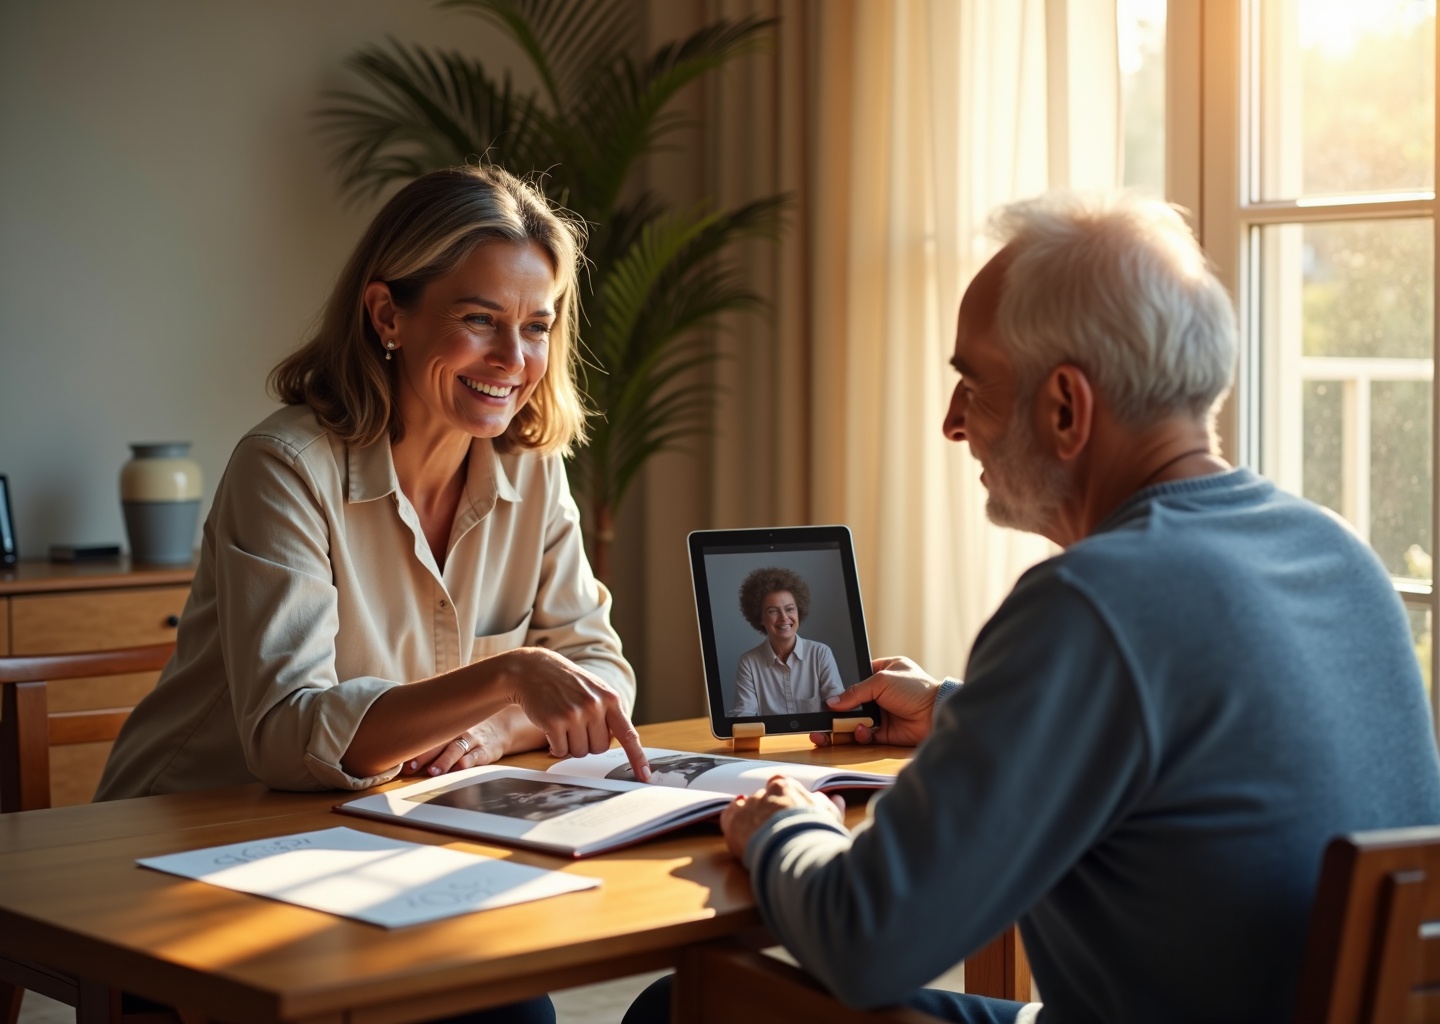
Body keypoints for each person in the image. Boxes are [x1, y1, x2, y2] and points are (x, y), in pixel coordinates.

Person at [626, 192, 1440, 1024]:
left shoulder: (1092, 602)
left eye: (970, 386)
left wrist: (782, 827)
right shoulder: (1340, 555)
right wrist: (954, 710)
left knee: (684, 1006)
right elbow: (1179, 753)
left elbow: (864, 938)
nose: (952, 425)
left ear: (1064, 407)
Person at [95, 165, 652, 1024]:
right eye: (479, 321)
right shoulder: (285, 468)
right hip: (184, 852)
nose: (514, 360)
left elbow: (602, 672)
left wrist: (494, 726)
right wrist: (506, 680)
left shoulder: (532, 473)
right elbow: (285, 734)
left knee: (514, 1012)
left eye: (536, 327)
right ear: (388, 314)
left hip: (372, 850)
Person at [729, 566, 845, 716]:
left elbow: (838, 707)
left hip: (817, 739)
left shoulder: (821, 653)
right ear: (760, 618)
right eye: (773, 611)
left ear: (799, 611)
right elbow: (744, 713)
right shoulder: (749, 662)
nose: (784, 618)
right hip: (771, 740)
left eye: (790, 609)